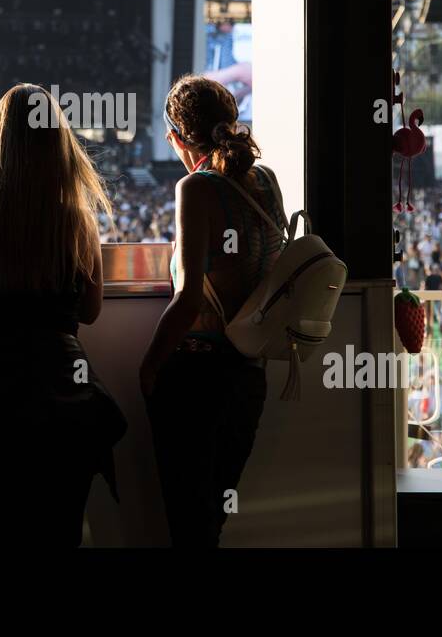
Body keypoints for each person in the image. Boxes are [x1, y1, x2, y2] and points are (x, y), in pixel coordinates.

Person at [0, 84, 126, 547]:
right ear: (59, 148)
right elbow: (90, 312)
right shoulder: (79, 223)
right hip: (65, 396)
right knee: (61, 531)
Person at [140, 74, 285, 547]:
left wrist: (149, 366)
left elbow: (187, 300)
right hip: (249, 373)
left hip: (197, 376)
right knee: (209, 525)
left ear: (176, 138)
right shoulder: (266, 180)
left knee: (187, 524)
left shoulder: (196, 188)